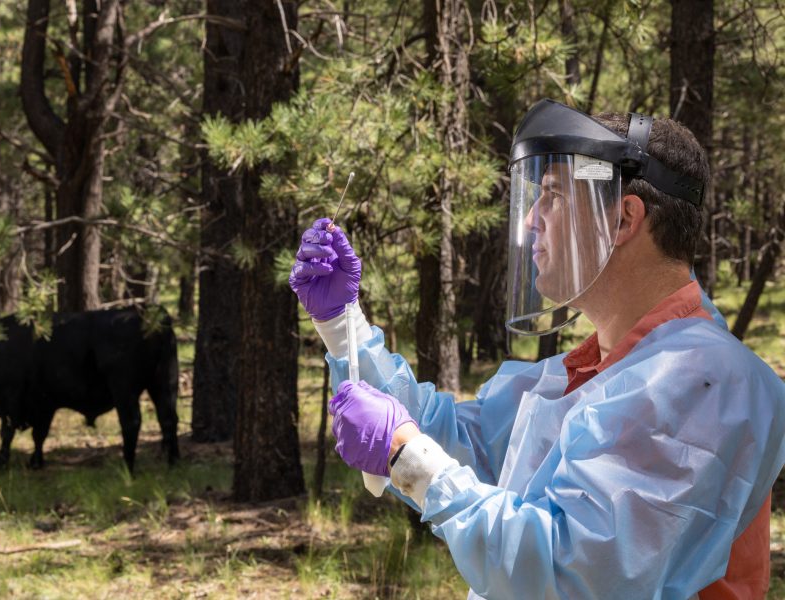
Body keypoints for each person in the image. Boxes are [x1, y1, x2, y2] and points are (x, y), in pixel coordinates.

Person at [289, 99, 785, 599]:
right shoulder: (600, 370)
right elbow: (462, 444)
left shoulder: (702, 379)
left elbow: (574, 573)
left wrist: (407, 458)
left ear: (622, 219)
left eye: (552, 195)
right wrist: (341, 324)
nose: (530, 221)